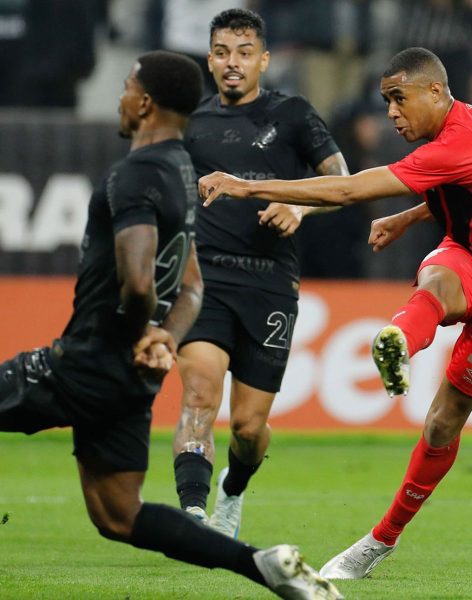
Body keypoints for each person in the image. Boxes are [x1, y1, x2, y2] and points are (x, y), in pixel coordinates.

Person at [199, 46, 472, 579]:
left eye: (399, 99)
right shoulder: (470, 124)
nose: (391, 113)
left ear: (435, 92)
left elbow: (350, 189)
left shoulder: (461, 142)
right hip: (470, 256)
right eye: (385, 101)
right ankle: (397, 338)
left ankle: (382, 539)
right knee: (437, 279)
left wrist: (246, 184)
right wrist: (408, 216)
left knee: (443, 423)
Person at [0, 49, 343, 600]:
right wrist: (166, 334)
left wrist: (142, 330)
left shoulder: (135, 174)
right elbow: (192, 285)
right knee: (119, 516)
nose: (120, 96)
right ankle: (262, 565)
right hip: (130, 380)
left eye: (127, 87)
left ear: (144, 103)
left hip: (87, 360)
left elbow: (138, 282)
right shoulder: (183, 171)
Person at [172, 8, 349, 538]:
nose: (233, 63)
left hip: (270, 285)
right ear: (209, 59)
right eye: (222, 52)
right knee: (199, 394)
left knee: (249, 428)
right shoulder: (191, 125)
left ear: (263, 60)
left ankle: (233, 487)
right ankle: (194, 515)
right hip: (206, 283)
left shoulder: (293, 115)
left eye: (244, 53)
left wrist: (300, 209)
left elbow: (341, 183)